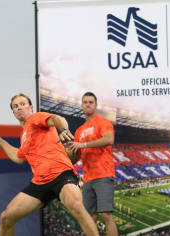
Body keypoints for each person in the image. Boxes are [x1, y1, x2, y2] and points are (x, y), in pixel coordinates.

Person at [0, 93, 99, 236]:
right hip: (40, 182)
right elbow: (19, 157)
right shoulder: (24, 136)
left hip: (61, 174)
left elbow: (57, 119)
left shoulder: (35, 118)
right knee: (6, 217)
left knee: (76, 207)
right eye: (15, 106)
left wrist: (63, 129)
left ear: (31, 107)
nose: (19, 108)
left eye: (22, 104)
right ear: (14, 113)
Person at [68, 92, 118, 236]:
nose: (88, 104)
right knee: (90, 218)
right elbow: (77, 156)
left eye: (91, 102)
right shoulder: (79, 131)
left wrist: (82, 144)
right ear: (82, 106)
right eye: (85, 102)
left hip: (104, 174)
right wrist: (67, 156)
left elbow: (109, 139)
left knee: (106, 216)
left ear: (96, 105)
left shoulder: (103, 122)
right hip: (88, 178)